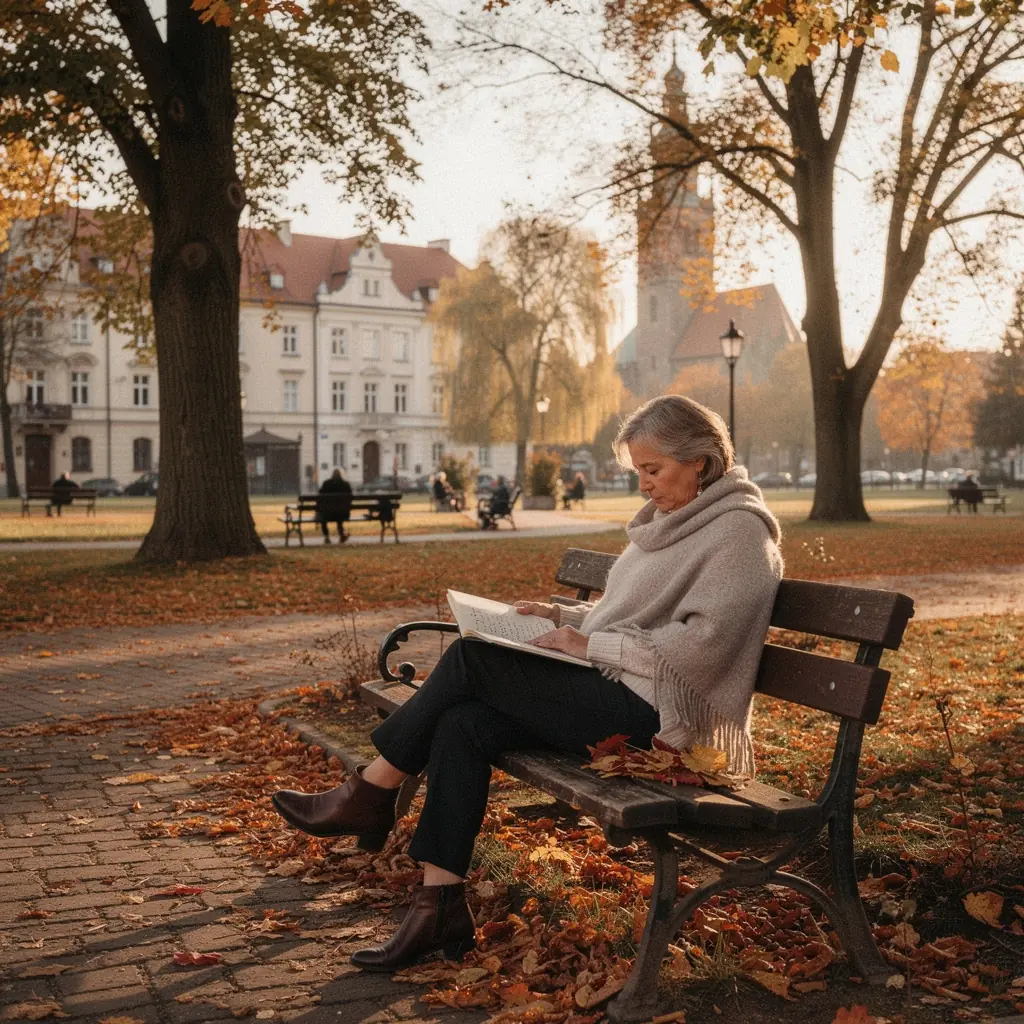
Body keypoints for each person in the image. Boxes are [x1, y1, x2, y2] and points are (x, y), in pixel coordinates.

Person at [271, 394, 784, 972]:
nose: (644, 484)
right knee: (463, 723)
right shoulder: (672, 521)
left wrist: (588, 645)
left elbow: (705, 648)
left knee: (471, 661)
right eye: (638, 471)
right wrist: (560, 619)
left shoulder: (740, 533)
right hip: (616, 692)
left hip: (662, 722)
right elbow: (626, 617)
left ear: (702, 461)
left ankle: (370, 792)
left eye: (652, 470)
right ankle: (438, 904)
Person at [317, 468, 352, 543]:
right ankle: (342, 534)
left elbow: (320, 497)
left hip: (327, 514)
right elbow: (351, 498)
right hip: (343, 513)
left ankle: (326, 536)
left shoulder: (326, 483)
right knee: (339, 517)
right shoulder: (346, 484)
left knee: (322, 517)